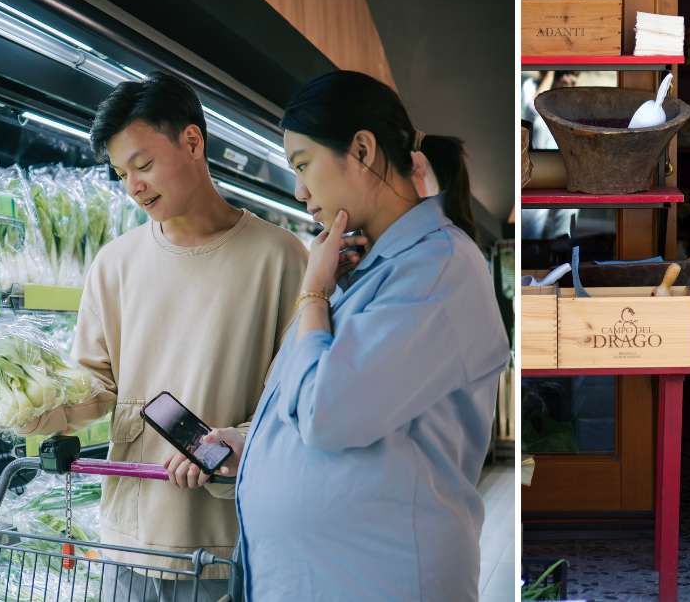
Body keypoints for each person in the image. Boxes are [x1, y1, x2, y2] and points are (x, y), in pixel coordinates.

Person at [0, 72, 310, 600]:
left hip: (224, 543)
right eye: (121, 173)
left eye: (143, 164)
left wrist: (231, 440)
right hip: (127, 541)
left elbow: (297, 403)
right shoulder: (114, 264)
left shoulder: (281, 259)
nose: (133, 186)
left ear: (192, 141)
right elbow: (91, 392)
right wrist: (11, 406)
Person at [200, 70, 509, 601]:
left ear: (362, 149)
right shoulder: (367, 268)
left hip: (378, 579)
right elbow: (323, 398)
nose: (300, 190)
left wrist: (313, 294)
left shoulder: (438, 269)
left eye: (302, 164)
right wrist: (251, 444)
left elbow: (329, 413)